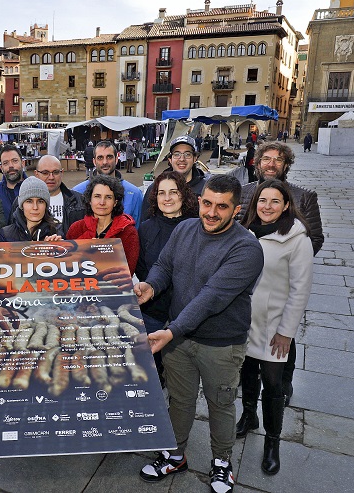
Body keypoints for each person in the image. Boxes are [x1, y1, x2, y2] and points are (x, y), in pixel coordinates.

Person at [134, 175, 264, 493]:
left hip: (220, 343)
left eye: (222, 207)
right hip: (178, 338)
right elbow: (164, 265)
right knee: (179, 401)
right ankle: (175, 455)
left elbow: (212, 297)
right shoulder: (185, 228)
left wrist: (171, 330)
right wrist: (151, 285)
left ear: (236, 209)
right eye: (207, 203)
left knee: (220, 404)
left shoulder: (247, 248)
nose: (211, 212)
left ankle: (221, 463)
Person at [237, 180, 313, 475]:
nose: (267, 206)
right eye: (262, 200)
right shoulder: (244, 232)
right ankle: (248, 416)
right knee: (246, 372)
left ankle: (272, 442)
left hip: (274, 326)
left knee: (272, 385)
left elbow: (300, 290)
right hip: (243, 320)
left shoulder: (297, 239)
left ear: (285, 205)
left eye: (274, 201)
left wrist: (286, 331)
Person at [239, 142, 322, 406]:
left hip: (280, 286)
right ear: (257, 163)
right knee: (249, 361)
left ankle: (284, 384)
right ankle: (250, 409)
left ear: (286, 165)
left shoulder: (303, 196)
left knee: (283, 344)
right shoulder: (242, 192)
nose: (271, 164)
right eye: (266, 159)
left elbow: (315, 237)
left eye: (278, 160)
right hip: (248, 293)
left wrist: (289, 261)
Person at [135, 171, 197, 382]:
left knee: (181, 378)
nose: (167, 198)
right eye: (161, 193)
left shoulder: (197, 227)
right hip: (153, 312)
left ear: (183, 195)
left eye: (173, 192)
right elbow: (142, 268)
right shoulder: (146, 228)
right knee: (151, 372)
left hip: (186, 313)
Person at [66, 174, 139, 275]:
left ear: (115, 202)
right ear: (89, 200)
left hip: (113, 289)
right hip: (79, 288)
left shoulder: (128, 232)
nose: (102, 202)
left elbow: (128, 271)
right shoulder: (76, 229)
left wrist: (102, 255)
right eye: (97, 196)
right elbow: (67, 266)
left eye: (108, 197)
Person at [73, 140, 143, 226]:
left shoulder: (134, 194)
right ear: (94, 161)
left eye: (109, 157)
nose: (105, 162)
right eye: (100, 158)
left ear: (117, 159)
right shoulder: (78, 193)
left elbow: (137, 230)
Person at [142, 135, 208, 221]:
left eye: (187, 154)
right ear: (170, 159)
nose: (182, 159)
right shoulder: (156, 188)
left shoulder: (205, 189)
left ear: (195, 158)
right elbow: (146, 220)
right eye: (177, 154)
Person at [33, 155, 85, 234]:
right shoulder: (23, 202)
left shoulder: (79, 201)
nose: (51, 177)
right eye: (45, 173)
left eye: (56, 172)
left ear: (62, 173)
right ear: (36, 174)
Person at [0, 177, 62, 242]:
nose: (35, 207)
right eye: (29, 201)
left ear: (46, 205)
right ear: (22, 205)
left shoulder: (57, 231)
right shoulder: (6, 234)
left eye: (40, 201)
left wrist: (55, 248)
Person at [0, 144, 27, 222]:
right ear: (1, 168)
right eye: (5, 163)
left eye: (15, 161)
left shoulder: (35, 190)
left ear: (23, 163)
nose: (10, 166)